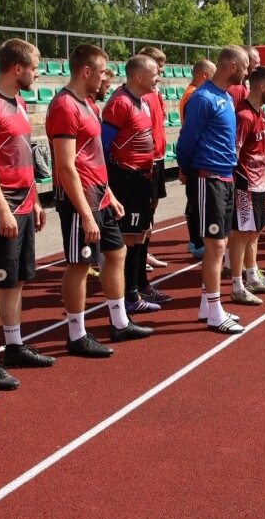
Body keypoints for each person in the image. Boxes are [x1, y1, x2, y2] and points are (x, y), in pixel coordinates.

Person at [48, 44, 154, 353]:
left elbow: (94, 156)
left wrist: (109, 194)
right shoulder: (65, 106)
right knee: (80, 264)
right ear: (86, 72)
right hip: (80, 198)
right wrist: (85, 213)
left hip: (99, 195)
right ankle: (76, 335)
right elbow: (66, 165)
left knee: (117, 252)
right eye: (103, 71)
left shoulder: (89, 105)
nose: (106, 77)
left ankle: (119, 322)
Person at [0, 39, 54, 392]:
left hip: (21, 201)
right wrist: (2, 208)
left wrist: (33, 199)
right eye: (34, 67)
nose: (37, 73)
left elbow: (22, 156)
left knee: (17, 279)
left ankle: (14, 344)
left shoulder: (17, 102)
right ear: (17, 68)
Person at [175, 45, 246, 334]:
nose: (246, 72)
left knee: (221, 244)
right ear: (232, 67)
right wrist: (191, 172)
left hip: (225, 176)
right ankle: (215, 312)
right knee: (214, 245)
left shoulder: (226, 97)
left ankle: (208, 304)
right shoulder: (203, 98)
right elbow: (186, 140)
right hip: (208, 177)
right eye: (244, 67)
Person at [101, 53, 162, 312]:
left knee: (140, 235)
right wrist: (109, 181)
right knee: (129, 237)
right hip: (125, 177)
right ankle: (129, 297)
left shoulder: (144, 101)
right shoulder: (120, 103)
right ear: (139, 76)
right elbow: (103, 145)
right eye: (154, 73)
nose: (159, 77)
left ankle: (136, 290)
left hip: (143, 176)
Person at [230, 65, 265, 306]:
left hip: (259, 182)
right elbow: (234, 152)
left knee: (256, 230)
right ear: (261, 87)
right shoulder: (244, 115)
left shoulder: (260, 112)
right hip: (245, 183)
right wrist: (239, 182)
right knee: (241, 233)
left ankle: (252, 275)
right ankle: (237, 285)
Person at [136, 46, 173, 280]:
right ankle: (138, 256)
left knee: (152, 207)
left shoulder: (156, 92)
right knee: (142, 212)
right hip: (147, 160)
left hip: (158, 156)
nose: (161, 71)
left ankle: (144, 252)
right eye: (158, 67)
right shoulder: (143, 94)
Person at [181, 58, 216, 258]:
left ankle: (196, 240)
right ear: (204, 74)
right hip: (197, 160)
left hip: (195, 158)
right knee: (195, 203)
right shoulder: (195, 96)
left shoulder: (193, 94)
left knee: (194, 202)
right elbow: (190, 131)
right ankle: (197, 241)